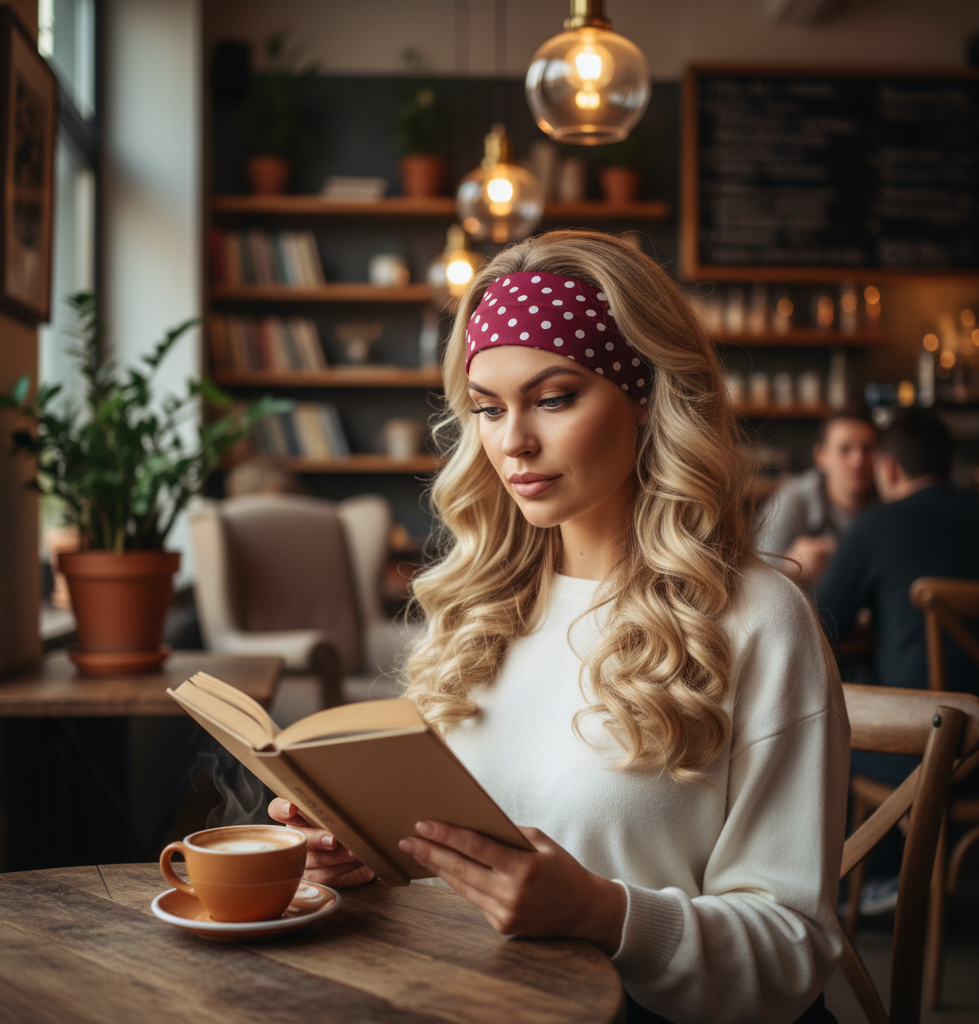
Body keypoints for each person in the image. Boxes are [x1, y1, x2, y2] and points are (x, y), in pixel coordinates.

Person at [270, 231, 849, 1024]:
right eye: (487, 409)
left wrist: (603, 913)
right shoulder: (483, 607)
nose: (512, 443)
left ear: (647, 395)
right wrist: (366, 858)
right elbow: (456, 881)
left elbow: (791, 952)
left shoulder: (757, 618)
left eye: (553, 398)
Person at [816, 410, 979, 789]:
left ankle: (866, 847)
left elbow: (819, 625)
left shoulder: (876, 525)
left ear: (888, 468)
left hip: (920, 751)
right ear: (952, 465)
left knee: (822, 727)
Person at [756, 412, 878, 587]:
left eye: (867, 449)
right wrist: (790, 568)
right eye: (845, 449)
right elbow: (756, 578)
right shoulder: (792, 501)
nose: (858, 460)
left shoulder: (888, 501)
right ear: (821, 456)